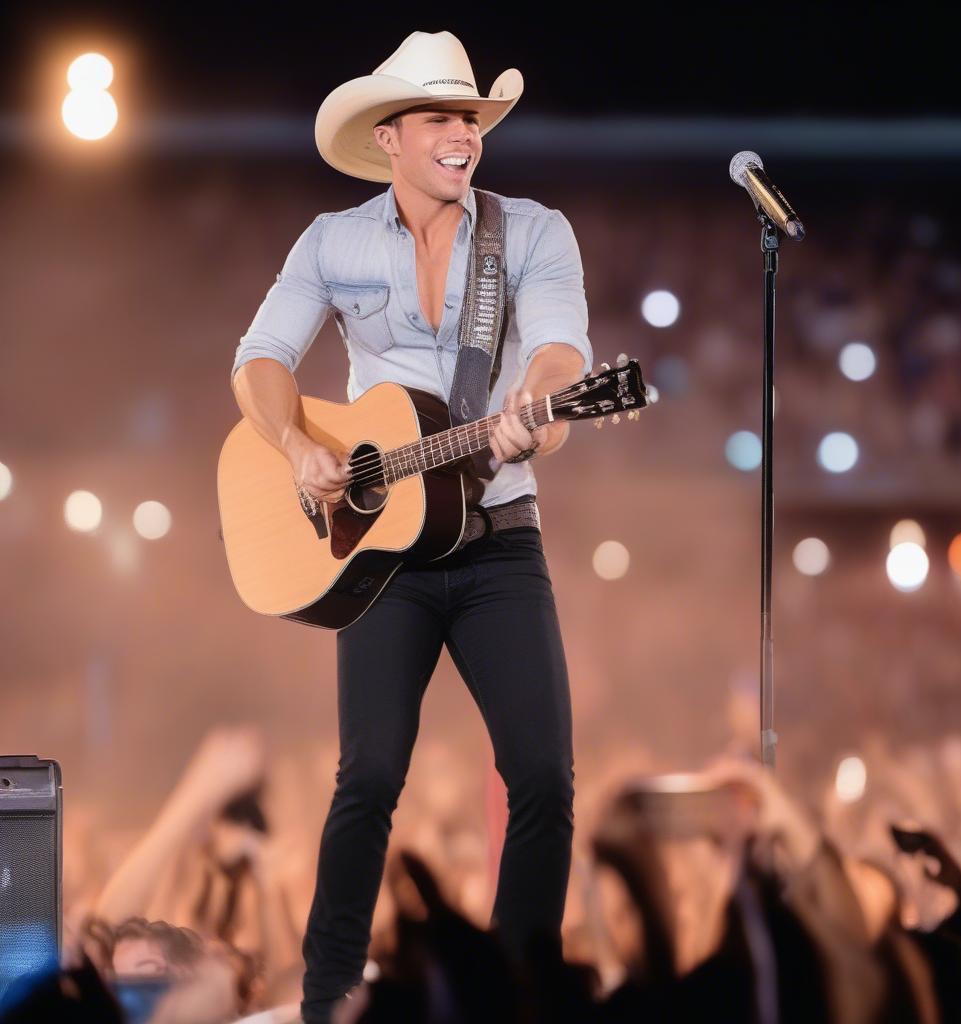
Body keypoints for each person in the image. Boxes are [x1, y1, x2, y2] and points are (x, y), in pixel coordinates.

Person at [229, 30, 594, 1024]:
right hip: (380, 551)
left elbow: (562, 352)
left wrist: (537, 405)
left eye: (470, 118)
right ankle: (327, 999)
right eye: (440, 117)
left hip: (497, 538)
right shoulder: (329, 241)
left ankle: (518, 994)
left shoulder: (529, 233)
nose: (461, 134)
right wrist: (300, 447)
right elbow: (259, 360)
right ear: (389, 136)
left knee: (544, 779)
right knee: (369, 775)